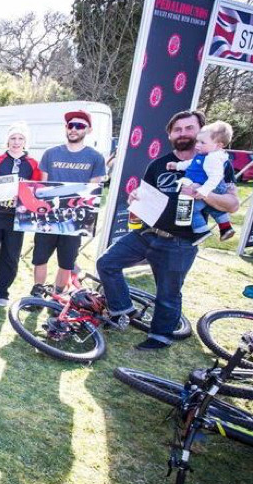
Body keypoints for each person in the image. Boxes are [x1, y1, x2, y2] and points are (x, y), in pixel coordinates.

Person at [97, 110, 239, 350]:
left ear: (201, 131)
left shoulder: (218, 163)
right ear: (170, 135)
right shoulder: (158, 164)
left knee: (168, 293)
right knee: (107, 263)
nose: (183, 133)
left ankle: (160, 337)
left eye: (189, 128)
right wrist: (135, 196)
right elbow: (145, 195)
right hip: (147, 233)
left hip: (180, 242)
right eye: (177, 129)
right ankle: (124, 310)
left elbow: (232, 204)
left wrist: (202, 193)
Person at [31, 110, 106, 297]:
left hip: (75, 217)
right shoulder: (50, 153)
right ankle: (37, 292)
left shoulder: (96, 158)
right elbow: (43, 185)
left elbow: (93, 190)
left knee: (66, 261)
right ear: (66, 128)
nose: (74, 129)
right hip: (49, 215)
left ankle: (58, 294)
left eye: (79, 126)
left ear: (88, 130)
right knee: (40, 257)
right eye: (70, 125)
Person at [0, 122, 41, 306]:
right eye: (13, 138)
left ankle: (2, 291)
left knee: (11, 256)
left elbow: (35, 190)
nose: (16, 142)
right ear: (7, 140)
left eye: (20, 138)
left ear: (26, 141)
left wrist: (26, 197)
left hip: (17, 217)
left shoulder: (33, 164)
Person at [167, 120, 235, 240]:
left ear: (218, 145)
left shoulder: (213, 159)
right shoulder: (204, 155)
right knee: (211, 207)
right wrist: (177, 165)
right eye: (197, 141)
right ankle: (225, 227)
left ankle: (201, 231)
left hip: (210, 188)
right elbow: (191, 163)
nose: (197, 145)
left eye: (202, 142)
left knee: (190, 208)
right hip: (203, 187)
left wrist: (204, 191)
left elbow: (215, 177)